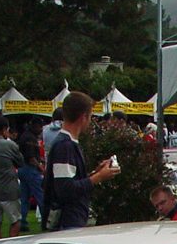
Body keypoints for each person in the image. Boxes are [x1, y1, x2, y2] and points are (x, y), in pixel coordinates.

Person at [42, 91, 120, 231]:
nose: (90, 121)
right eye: (90, 116)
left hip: (72, 220)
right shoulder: (64, 146)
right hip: (67, 223)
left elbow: (70, 181)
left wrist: (95, 173)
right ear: (83, 117)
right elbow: (65, 189)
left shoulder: (68, 143)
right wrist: (98, 177)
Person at [17, 117, 45, 232]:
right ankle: (46, 220)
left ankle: (22, 221)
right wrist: (41, 168)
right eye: (40, 126)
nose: (41, 129)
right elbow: (31, 157)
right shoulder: (30, 138)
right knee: (40, 195)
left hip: (22, 169)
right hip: (30, 169)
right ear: (35, 126)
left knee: (24, 197)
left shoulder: (24, 136)